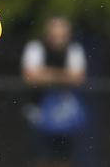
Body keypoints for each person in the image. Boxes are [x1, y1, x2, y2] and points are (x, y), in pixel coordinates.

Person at [21, 16, 87, 167]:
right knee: (39, 155)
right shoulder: (36, 47)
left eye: (62, 34)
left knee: (64, 156)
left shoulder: (74, 49)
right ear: (47, 32)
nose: (58, 38)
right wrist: (64, 75)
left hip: (65, 113)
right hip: (37, 110)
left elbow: (78, 78)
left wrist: (45, 74)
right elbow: (30, 76)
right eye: (54, 33)